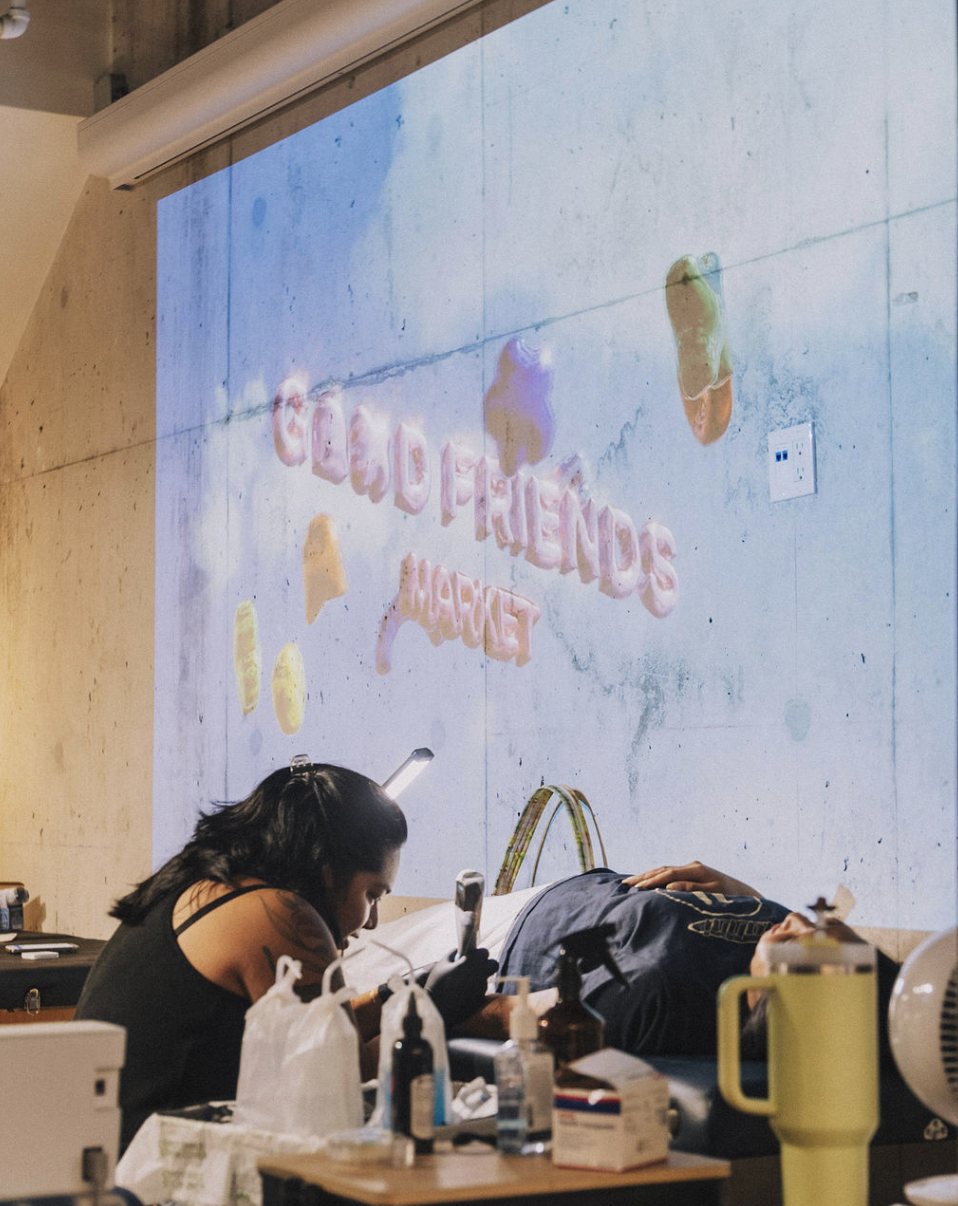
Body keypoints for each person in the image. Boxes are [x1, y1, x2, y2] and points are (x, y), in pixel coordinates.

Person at [75, 761, 495, 1153]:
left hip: (106, 1151)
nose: (371, 922)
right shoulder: (278, 913)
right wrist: (432, 1012)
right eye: (373, 894)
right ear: (328, 871)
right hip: (150, 1172)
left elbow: (315, 1029)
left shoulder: (207, 887)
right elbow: (342, 1076)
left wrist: (394, 995)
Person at [456, 860, 899, 1062]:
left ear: (764, 1002)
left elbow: (499, 1014)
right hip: (588, 886)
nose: (797, 919)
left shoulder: (654, 998)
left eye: (804, 941)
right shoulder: (776, 940)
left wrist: (394, 1005)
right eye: (825, 927)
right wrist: (741, 895)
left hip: (506, 933)